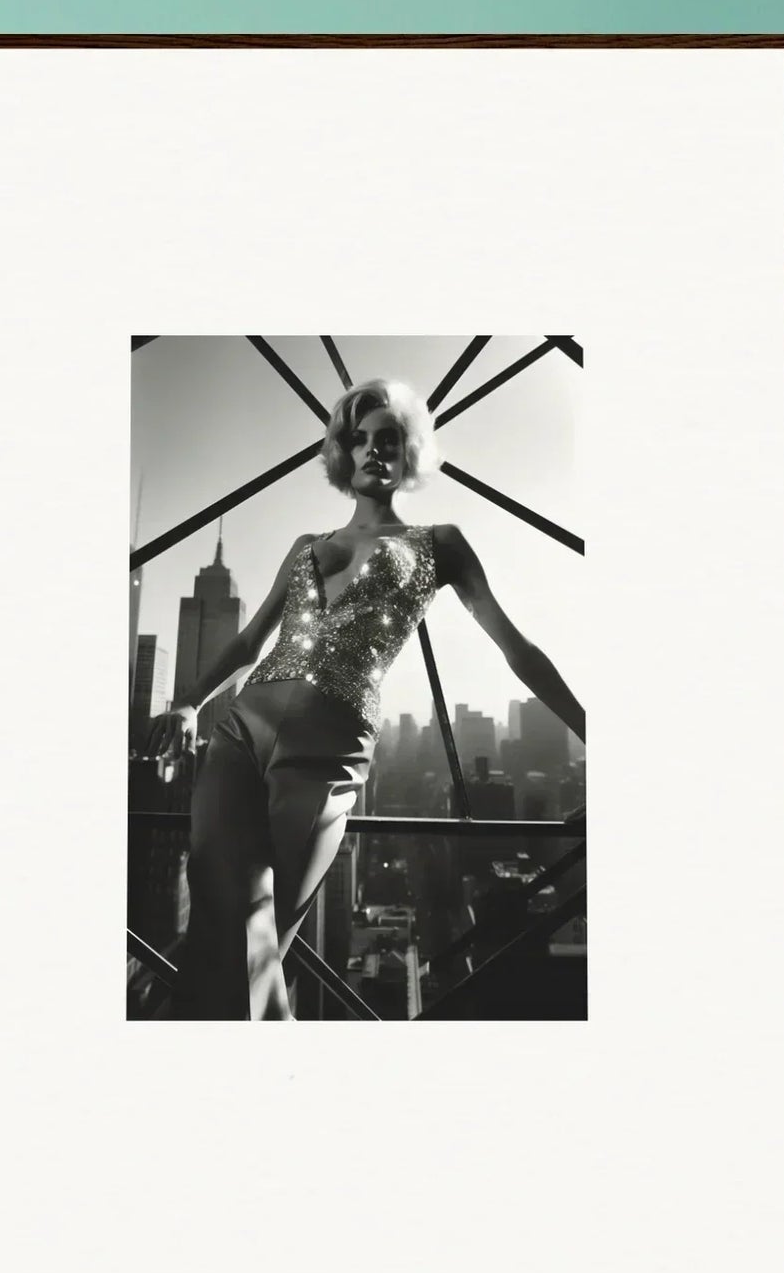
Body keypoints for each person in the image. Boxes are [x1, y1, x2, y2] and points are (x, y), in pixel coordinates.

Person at [146, 377, 586, 1020]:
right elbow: (248, 643)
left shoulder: (441, 545)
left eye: (389, 439)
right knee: (218, 915)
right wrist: (188, 702)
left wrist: (590, 727)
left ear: (410, 454)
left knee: (257, 935)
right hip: (240, 733)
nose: (374, 450)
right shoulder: (305, 547)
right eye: (359, 439)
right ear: (340, 454)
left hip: (328, 744)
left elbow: (513, 649)